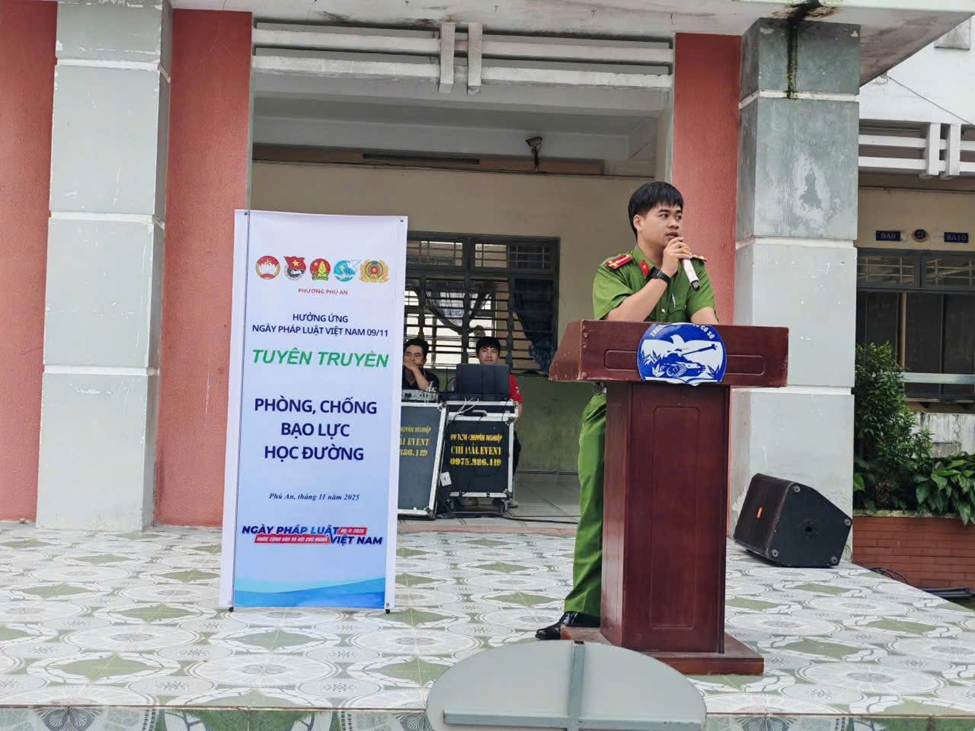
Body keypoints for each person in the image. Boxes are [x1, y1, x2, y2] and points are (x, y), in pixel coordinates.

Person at [536, 181, 718, 640]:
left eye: (679, 214)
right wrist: (663, 275)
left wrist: (689, 287)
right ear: (639, 221)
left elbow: (709, 330)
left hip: (679, 415)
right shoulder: (614, 270)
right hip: (614, 408)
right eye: (664, 214)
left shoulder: (694, 270)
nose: (674, 223)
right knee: (599, 509)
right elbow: (619, 323)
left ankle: (671, 611)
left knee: (677, 511)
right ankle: (584, 610)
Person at [475, 336, 523, 473]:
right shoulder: (465, 376)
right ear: (477, 354)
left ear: (499, 355)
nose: (489, 355)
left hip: (500, 430)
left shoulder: (509, 378)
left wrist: (508, 426)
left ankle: (506, 483)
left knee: (514, 448)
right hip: (472, 430)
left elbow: (518, 404)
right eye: (484, 350)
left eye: (494, 351)